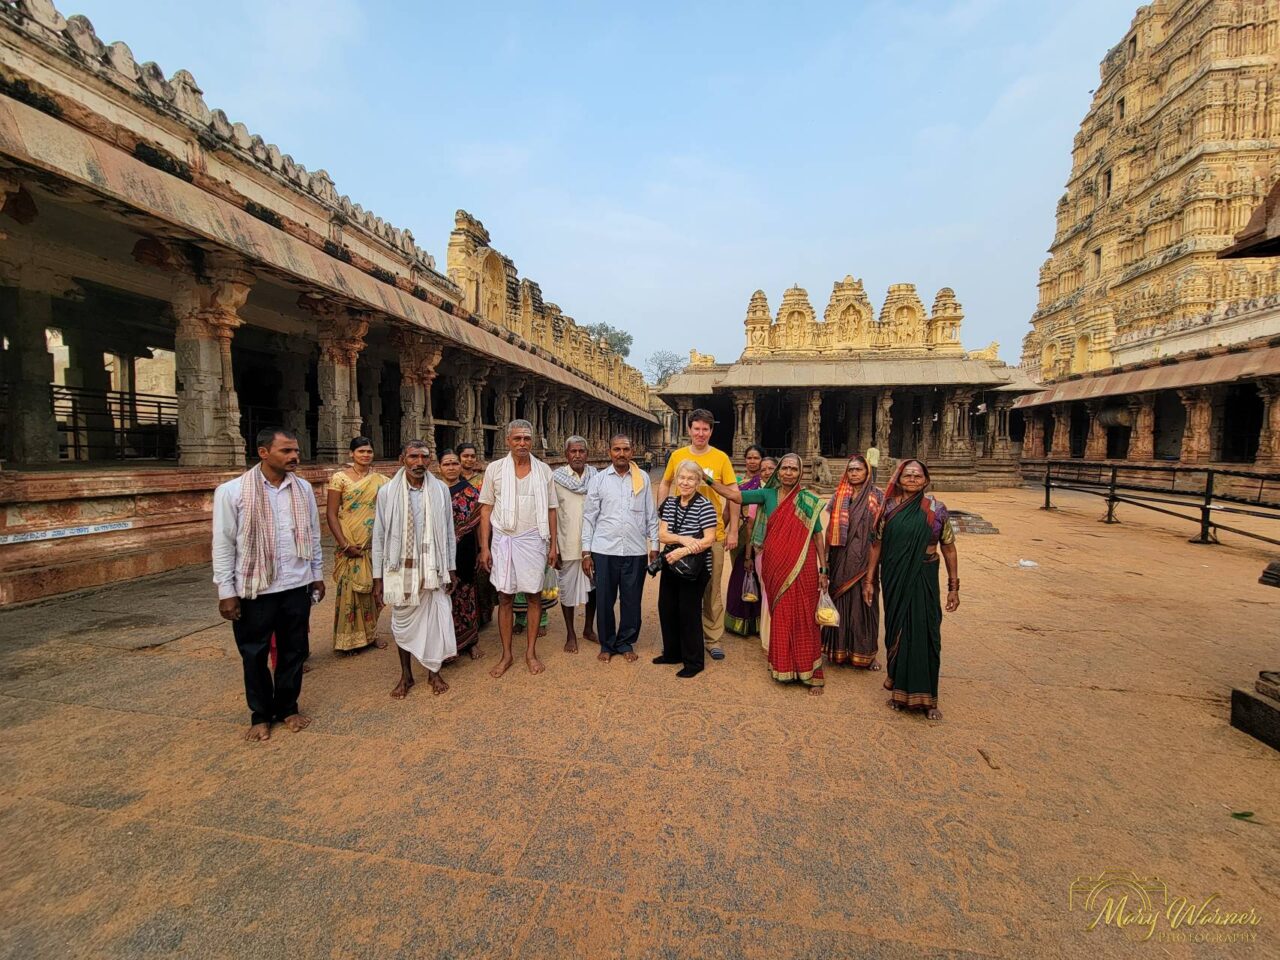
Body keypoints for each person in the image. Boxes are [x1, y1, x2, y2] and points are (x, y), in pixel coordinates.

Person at [212, 427, 323, 741]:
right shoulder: (232, 492)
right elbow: (223, 544)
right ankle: (260, 715)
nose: (294, 457)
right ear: (263, 453)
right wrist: (226, 591)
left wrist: (316, 574)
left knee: (294, 651)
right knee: (254, 654)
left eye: (296, 451)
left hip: (295, 584)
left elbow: (313, 536)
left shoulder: (302, 489)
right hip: (255, 589)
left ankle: (287, 707)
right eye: (286, 451)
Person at [714, 453, 828, 694]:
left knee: (805, 616)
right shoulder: (767, 495)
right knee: (782, 613)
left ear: (800, 473)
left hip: (803, 564)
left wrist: (823, 568)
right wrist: (706, 479)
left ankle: (810, 672)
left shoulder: (807, 500)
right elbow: (735, 495)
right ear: (778, 471)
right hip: (774, 563)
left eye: (793, 469)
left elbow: (817, 535)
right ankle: (783, 665)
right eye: (784, 468)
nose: (788, 473)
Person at [863, 459, 959, 721]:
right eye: (908, 475)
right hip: (895, 576)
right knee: (897, 631)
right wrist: (869, 580)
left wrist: (954, 586)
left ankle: (929, 697)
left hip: (924, 575)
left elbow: (948, 547)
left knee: (928, 634)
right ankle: (898, 691)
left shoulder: (936, 510)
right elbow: (876, 546)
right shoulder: (887, 509)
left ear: (926, 481)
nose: (913, 479)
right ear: (899, 478)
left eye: (918, 476)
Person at [372, 440, 458, 699]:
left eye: (424, 457)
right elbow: (379, 535)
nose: (419, 463)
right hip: (401, 570)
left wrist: (451, 568)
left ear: (430, 461)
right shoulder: (387, 492)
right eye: (413, 457)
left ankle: (433, 671)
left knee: (433, 622)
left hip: (434, 567)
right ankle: (406, 674)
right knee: (402, 623)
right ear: (402, 459)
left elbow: (448, 532)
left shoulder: (441, 490)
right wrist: (378, 578)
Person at [477, 419, 559, 677]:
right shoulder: (495, 469)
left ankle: (530, 652)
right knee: (505, 597)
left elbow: (551, 510)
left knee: (534, 595)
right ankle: (506, 654)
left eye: (526, 439)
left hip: (535, 541)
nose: (522, 443)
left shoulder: (543, 470)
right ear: (507, 441)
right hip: (504, 541)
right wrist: (484, 548)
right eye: (517, 439)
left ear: (532, 441)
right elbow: (486, 508)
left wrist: (553, 546)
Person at [657, 409, 739, 660]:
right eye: (696, 428)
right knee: (680, 589)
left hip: (710, 534)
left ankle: (712, 638)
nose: (700, 433)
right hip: (679, 534)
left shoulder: (720, 458)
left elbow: (735, 495)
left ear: (711, 431)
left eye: (705, 429)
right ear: (689, 430)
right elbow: (665, 483)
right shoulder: (678, 455)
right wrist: (661, 515)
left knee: (711, 588)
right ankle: (683, 638)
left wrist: (734, 528)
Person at [582, 434, 658, 663]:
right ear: (610, 452)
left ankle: (625, 642)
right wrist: (586, 552)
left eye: (625, 449)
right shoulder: (599, 479)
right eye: (617, 449)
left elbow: (650, 515)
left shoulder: (642, 478)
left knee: (631, 599)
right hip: (604, 549)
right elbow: (589, 517)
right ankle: (607, 643)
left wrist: (654, 545)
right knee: (604, 599)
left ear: (632, 451)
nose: (621, 454)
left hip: (635, 550)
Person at [654, 459, 718, 678]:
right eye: (682, 477)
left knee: (688, 612)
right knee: (667, 607)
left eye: (691, 478)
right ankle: (672, 653)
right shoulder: (670, 503)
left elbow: (709, 539)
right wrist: (685, 540)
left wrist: (683, 550)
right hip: (672, 563)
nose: (685, 482)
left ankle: (694, 661)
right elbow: (662, 534)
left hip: (695, 567)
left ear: (699, 481)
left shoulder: (705, 506)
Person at [325, 437, 388, 654]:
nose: (366, 455)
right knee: (350, 592)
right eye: (361, 451)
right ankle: (348, 640)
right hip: (350, 541)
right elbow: (331, 514)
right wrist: (344, 544)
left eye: (369, 451)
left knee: (374, 590)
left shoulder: (381, 480)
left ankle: (371, 634)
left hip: (373, 542)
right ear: (351, 454)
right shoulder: (339, 478)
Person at [822, 455, 884, 669]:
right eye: (851, 470)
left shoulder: (877, 496)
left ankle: (866, 653)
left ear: (867, 472)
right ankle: (838, 651)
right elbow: (830, 529)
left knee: (865, 606)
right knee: (839, 601)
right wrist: (826, 561)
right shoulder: (838, 496)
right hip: (841, 558)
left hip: (866, 560)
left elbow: (880, 534)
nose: (854, 473)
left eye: (859, 469)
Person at [438, 449, 485, 661]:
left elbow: (479, 523)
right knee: (442, 598)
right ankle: (446, 646)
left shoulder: (470, 491)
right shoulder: (433, 491)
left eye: (454, 464)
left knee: (466, 595)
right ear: (439, 467)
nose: (451, 468)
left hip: (464, 550)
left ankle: (470, 641)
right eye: (446, 464)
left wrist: (482, 549)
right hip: (439, 552)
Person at [552, 436, 598, 652]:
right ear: (566, 454)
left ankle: (588, 628)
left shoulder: (597, 478)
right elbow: (551, 514)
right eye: (573, 452)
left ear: (587, 455)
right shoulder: (556, 479)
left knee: (594, 590)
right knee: (567, 591)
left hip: (595, 546)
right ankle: (571, 633)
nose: (577, 455)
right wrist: (554, 548)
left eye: (581, 451)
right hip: (567, 544)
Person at [725, 444, 765, 637]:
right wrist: (720, 532)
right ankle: (740, 620)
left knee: (758, 574)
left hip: (759, 532)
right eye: (749, 457)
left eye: (756, 458)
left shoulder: (767, 484)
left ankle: (757, 620)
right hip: (739, 531)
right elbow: (727, 509)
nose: (752, 461)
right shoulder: (737, 482)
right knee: (739, 575)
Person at [458, 442, 494, 627]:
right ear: (459, 458)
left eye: (472, 456)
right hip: (461, 536)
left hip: (483, 531)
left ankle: (483, 616)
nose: (469, 459)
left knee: (483, 574)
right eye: (465, 456)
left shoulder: (483, 480)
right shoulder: (452, 481)